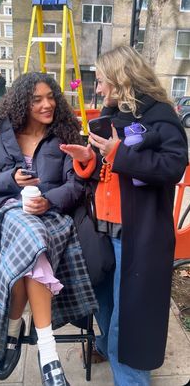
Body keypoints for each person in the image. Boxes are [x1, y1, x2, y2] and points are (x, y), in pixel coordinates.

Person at [60, 45, 189, 386]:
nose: (98, 88)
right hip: (101, 230)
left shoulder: (160, 116)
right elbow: (106, 168)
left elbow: (173, 167)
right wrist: (88, 157)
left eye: (101, 81)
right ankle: (105, 346)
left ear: (121, 78)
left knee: (129, 320)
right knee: (102, 301)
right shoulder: (115, 115)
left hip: (137, 237)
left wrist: (120, 155)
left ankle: (130, 376)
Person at [0, 72, 97, 386]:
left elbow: (76, 185)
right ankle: (48, 356)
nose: (47, 104)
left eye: (50, 97)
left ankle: (12, 328)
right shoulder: (5, 138)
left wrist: (47, 202)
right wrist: (12, 181)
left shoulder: (66, 134)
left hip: (52, 219)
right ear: (23, 102)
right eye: (37, 100)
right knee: (28, 235)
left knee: (31, 244)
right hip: (9, 216)